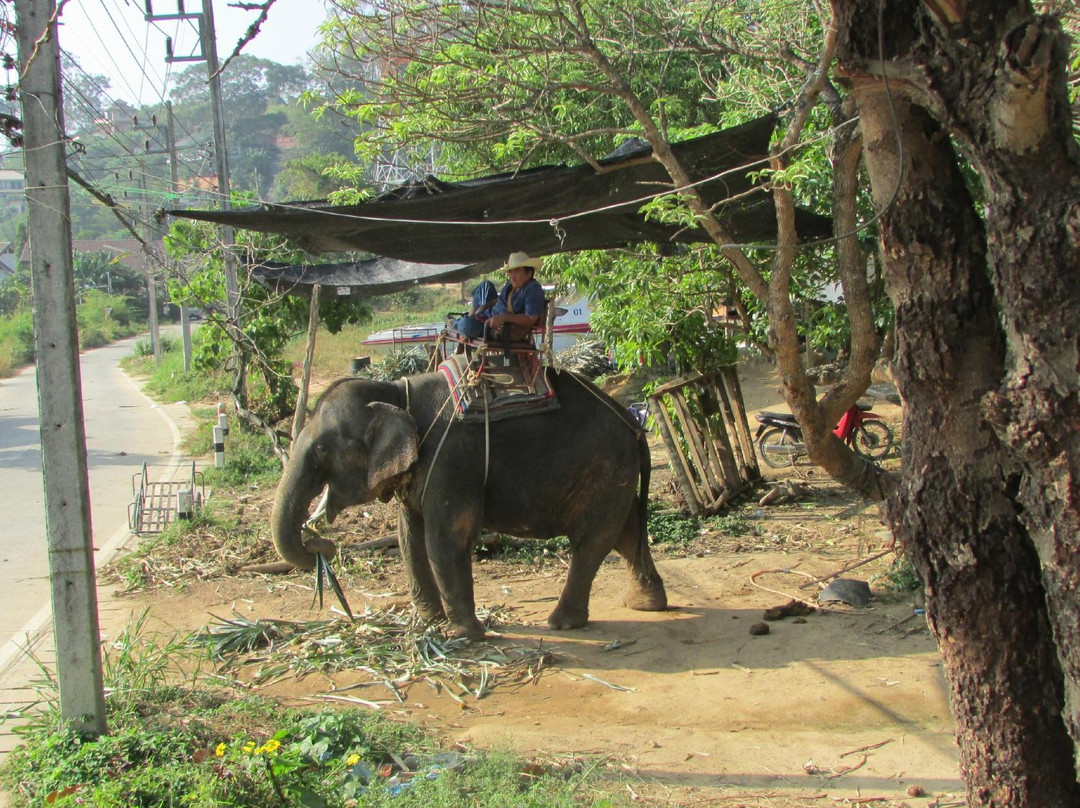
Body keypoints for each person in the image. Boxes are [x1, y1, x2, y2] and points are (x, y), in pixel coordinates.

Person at [454, 252, 545, 341]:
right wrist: (485, 305)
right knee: (486, 285)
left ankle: (456, 323)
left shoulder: (533, 289)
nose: (512, 275)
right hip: (490, 313)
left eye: (517, 270)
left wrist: (504, 318)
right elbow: (500, 300)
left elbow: (530, 319)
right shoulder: (511, 285)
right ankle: (471, 315)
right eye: (510, 271)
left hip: (497, 328)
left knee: (467, 325)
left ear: (528, 273)